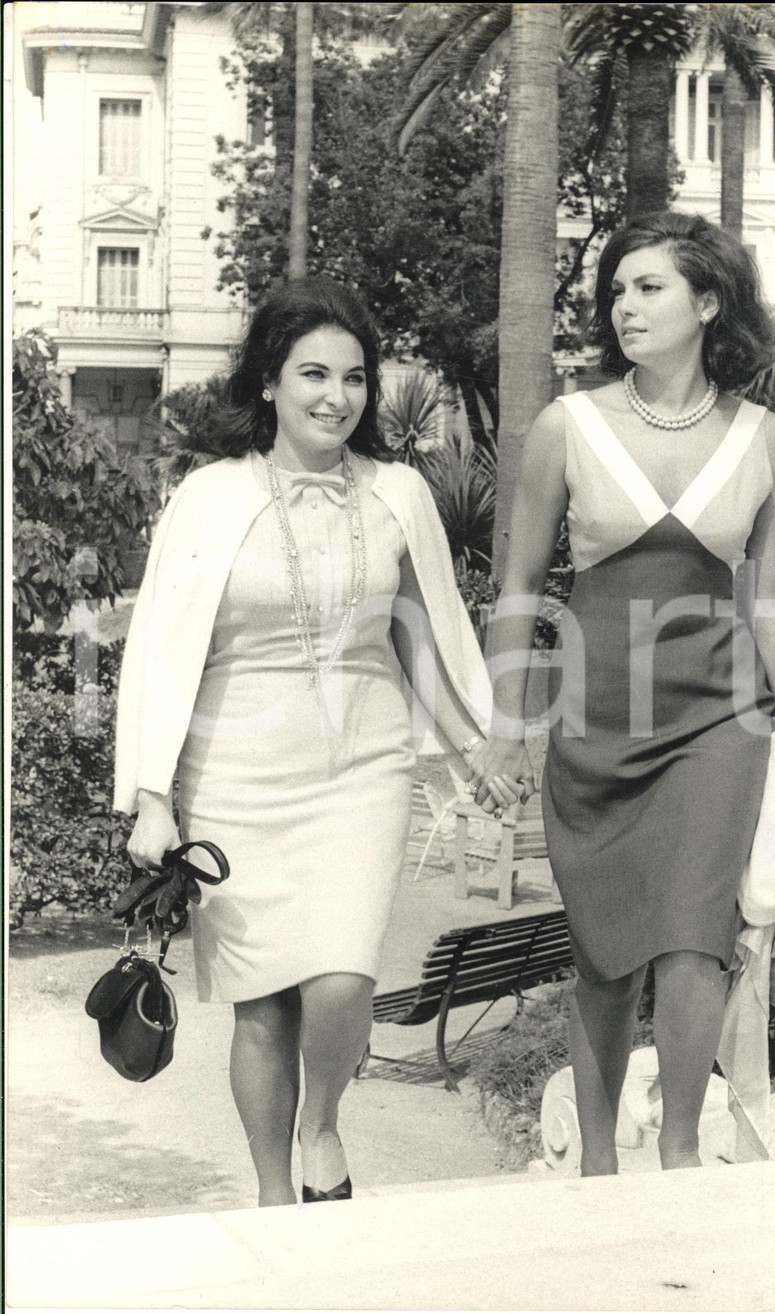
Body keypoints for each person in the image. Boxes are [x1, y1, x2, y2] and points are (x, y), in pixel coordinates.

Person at [115, 277, 492, 1207]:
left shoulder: (399, 494)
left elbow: (427, 638)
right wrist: (153, 797)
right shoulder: (208, 497)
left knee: (339, 979)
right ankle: (277, 1197)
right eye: (313, 373)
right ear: (270, 384)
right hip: (234, 774)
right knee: (262, 1004)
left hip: (362, 770)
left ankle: (323, 1119)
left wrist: (475, 750)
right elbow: (161, 649)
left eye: (355, 377)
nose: (337, 396)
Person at [468, 211, 775, 1175]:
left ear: (709, 302)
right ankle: (595, 1169)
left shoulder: (764, 439)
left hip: (719, 719)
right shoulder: (565, 428)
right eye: (618, 289)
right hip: (596, 723)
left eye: (650, 287)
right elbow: (518, 588)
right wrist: (504, 728)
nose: (626, 305)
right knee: (605, 958)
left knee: (692, 942)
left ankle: (676, 1169)